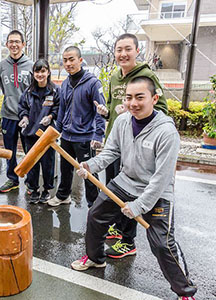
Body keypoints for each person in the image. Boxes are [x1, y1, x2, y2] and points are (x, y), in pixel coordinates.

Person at [72, 76, 197, 300]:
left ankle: (185, 291)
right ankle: (95, 258)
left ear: (154, 98)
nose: (133, 103)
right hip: (126, 181)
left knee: (161, 244)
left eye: (140, 97)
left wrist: (139, 206)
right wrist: (89, 165)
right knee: (95, 216)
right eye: (129, 97)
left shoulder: (167, 132)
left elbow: (161, 178)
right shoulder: (122, 121)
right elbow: (111, 152)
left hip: (156, 192)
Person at [95, 33, 168, 259]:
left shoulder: (147, 76)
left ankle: (128, 241)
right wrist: (106, 112)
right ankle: (118, 227)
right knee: (115, 188)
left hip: (137, 146)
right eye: (119, 50)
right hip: (115, 142)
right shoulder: (115, 77)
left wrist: (133, 114)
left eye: (128, 49)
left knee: (131, 191)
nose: (123, 54)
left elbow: (162, 111)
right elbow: (111, 105)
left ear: (137, 51)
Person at [46, 46, 105, 208]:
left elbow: (100, 110)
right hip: (66, 136)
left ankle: (94, 205)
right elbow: (62, 110)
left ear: (80, 60)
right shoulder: (65, 84)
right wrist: (56, 131)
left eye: (71, 59)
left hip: (85, 137)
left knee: (88, 173)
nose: (68, 63)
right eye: (65, 60)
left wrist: (98, 135)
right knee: (65, 169)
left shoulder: (93, 83)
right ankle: (63, 196)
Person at [0, 30, 33, 193]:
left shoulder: (32, 65)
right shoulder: (1, 66)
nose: (14, 45)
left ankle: (31, 181)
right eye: (11, 41)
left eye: (17, 41)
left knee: (29, 150)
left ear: (23, 44)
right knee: (9, 151)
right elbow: (4, 89)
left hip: (27, 116)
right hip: (8, 115)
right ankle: (12, 179)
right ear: (7, 45)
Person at [18, 59, 60, 204]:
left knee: (48, 164)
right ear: (33, 73)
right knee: (32, 164)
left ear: (48, 72)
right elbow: (22, 107)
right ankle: (34, 190)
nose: (40, 74)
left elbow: (58, 108)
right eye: (37, 71)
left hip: (47, 135)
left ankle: (47, 190)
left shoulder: (55, 90)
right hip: (30, 134)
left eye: (43, 71)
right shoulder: (28, 92)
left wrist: (50, 116)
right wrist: (23, 117)